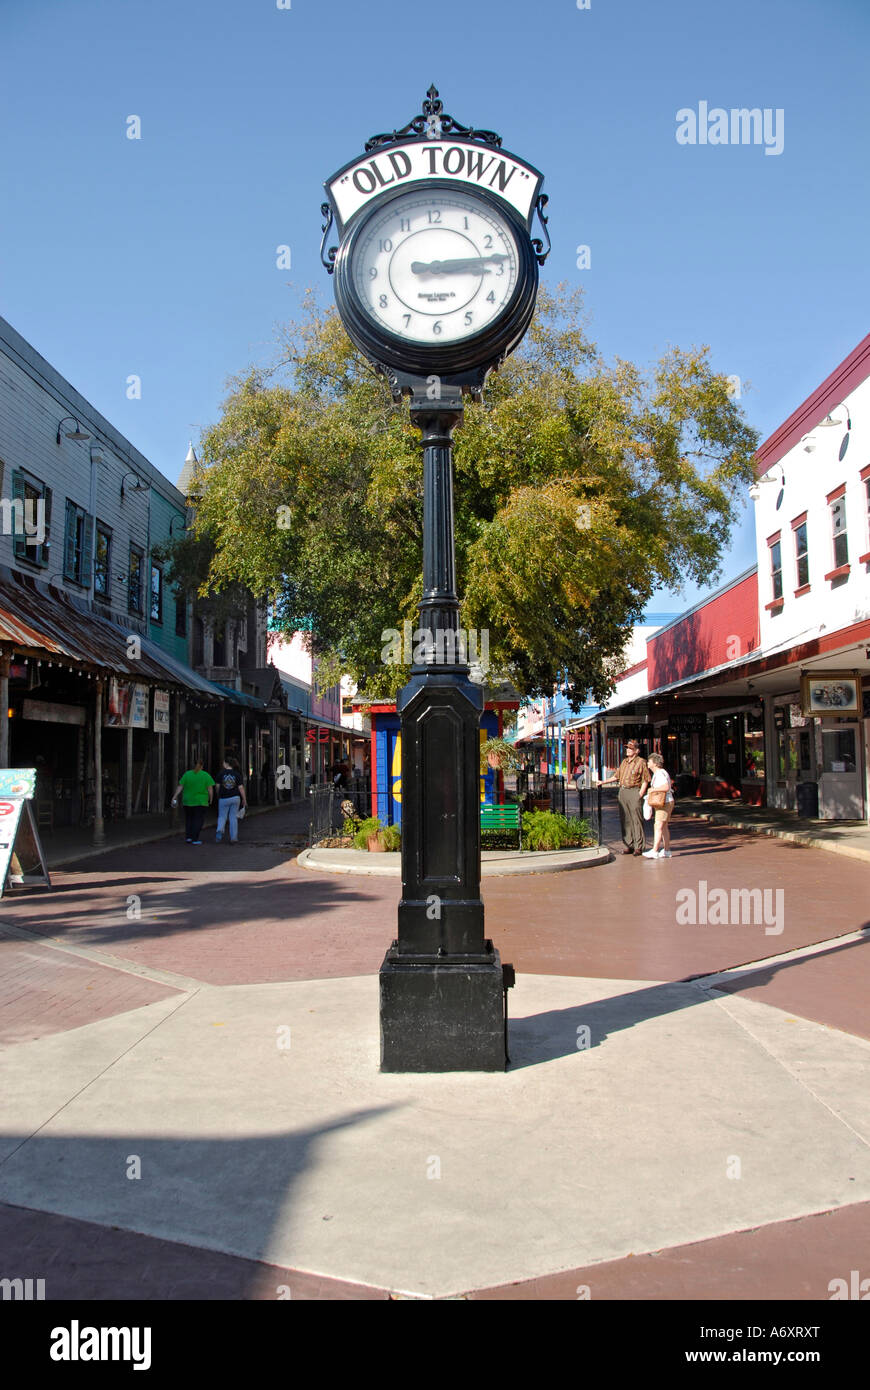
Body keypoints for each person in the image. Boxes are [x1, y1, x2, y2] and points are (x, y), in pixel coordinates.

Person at [599, 739, 650, 856]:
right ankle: (629, 844)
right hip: (623, 791)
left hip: (634, 791)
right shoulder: (624, 762)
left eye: (631, 748)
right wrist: (603, 782)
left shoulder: (641, 762)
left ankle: (639, 846)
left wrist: (640, 794)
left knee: (636, 819)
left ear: (637, 751)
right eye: (627, 748)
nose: (628, 750)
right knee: (625, 819)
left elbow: (645, 780)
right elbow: (617, 776)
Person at [171, 760, 215, 844]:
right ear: (202, 766)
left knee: (189, 819)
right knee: (198, 820)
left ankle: (189, 837)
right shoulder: (206, 775)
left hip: (187, 801)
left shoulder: (187, 774)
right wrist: (211, 798)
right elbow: (210, 789)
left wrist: (175, 796)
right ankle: (195, 838)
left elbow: (180, 786)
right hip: (201, 801)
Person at [643, 752, 674, 859]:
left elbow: (666, 787)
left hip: (664, 803)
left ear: (655, 763)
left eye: (649, 761)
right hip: (666, 801)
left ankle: (655, 850)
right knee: (664, 826)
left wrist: (652, 790)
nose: (648, 763)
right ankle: (667, 850)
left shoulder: (660, 773)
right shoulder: (660, 773)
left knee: (658, 825)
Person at [215, 756, 247, 844]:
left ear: (226, 764)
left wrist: (218, 793)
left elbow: (217, 786)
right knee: (233, 817)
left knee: (222, 816)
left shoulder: (221, 773)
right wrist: (244, 799)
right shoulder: (237, 774)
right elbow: (241, 788)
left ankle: (220, 829)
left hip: (223, 798)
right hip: (235, 797)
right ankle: (233, 837)